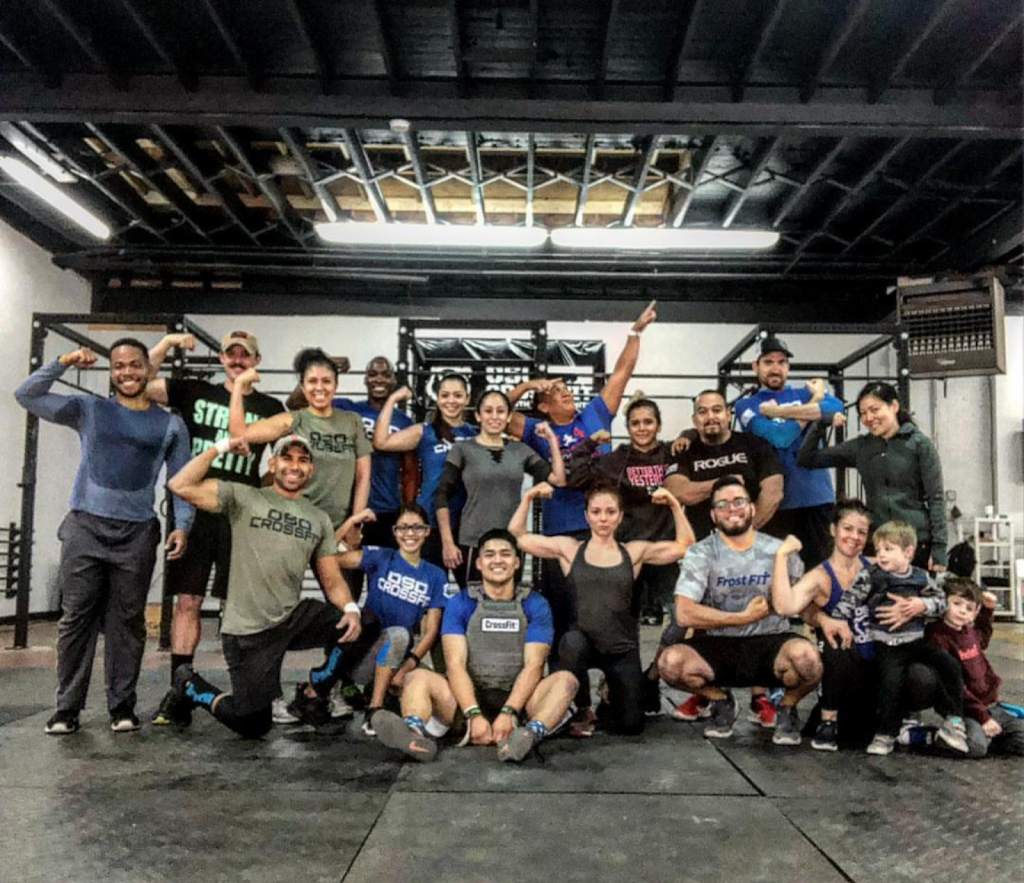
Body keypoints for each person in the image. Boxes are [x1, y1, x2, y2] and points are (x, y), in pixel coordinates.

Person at [15, 340, 194, 735]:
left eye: (135, 365)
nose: (127, 372)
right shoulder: (89, 409)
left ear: (149, 368)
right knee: (76, 619)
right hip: (86, 528)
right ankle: (66, 709)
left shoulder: (170, 425)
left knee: (127, 622)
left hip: (137, 535)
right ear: (111, 372)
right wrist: (63, 361)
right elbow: (27, 395)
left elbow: (181, 481)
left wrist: (183, 524)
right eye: (118, 366)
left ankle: (122, 706)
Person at [165, 433, 374, 738]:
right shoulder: (245, 498)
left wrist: (351, 609)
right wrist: (222, 446)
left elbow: (332, 580)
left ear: (311, 470)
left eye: (303, 460)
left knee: (365, 623)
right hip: (248, 633)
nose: (295, 466)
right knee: (253, 725)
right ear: (273, 464)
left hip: (292, 618)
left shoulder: (318, 519)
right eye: (287, 458)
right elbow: (179, 484)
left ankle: (313, 694)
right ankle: (189, 684)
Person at [145, 330, 286, 728]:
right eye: (231, 354)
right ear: (222, 358)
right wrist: (167, 344)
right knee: (187, 601)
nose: (238, 360)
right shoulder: (195, 392)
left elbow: (282, 463)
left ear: (257, 360)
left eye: (245, 355)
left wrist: (264, 496)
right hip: (196, 507)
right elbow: (139, 382)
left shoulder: (270, 407)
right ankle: (179, 689)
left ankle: (249, 689)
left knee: (237, 607)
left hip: (240, 513)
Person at [507, 300, 658, 645]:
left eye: (566, 389)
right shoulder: (537, 429)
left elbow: (621, 373)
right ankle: (567, 673)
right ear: (544, 406)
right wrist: (529, 386)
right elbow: (496, 411)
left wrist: (635, 332)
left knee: (610, 610)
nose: (566, 393)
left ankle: (614, 669)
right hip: (562, 529)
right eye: (557, 392)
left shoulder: (594, 414)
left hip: (604, 527)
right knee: (564, 613)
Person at [372, 529, 578, 763]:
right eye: (489, 555)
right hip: (465, 700)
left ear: (517, 563)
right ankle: (413, 735)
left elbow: (534, 665)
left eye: (505, 554)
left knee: (566, 681)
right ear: (479, 563)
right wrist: (473, 714)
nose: (497, 560)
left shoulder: (535, 604)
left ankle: (527, 736)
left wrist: (509, 712)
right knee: (416, 677)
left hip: (521, 703)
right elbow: (455, 664)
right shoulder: (460, 602)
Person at [509, 481, 693, 736]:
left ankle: (610, 696)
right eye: (596, 512)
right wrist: (529, 496)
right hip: (581, 644)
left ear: (620, 516)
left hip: (620, 648)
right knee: (571, 642)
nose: (603, 518)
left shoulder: (634, 552)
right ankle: (582, 707)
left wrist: (673, 504)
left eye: (610, 512)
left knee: (631, 726)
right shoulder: (570, 549)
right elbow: (518, 536)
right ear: (586, 516)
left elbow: (685, 545)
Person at [658, 477, 822, 746]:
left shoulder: (780, 550)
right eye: (722, 505)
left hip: (770, 642)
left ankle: (787, 706)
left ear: (752, 508)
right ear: (713, 515)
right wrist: (741, 618)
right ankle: (721, 700)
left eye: (738, 502)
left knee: (808, 660)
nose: (731, 509)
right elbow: (684, 613)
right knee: (670, 663)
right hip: (720, 644)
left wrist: (825, 620)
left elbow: (801, 604)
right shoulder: (700, 553)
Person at [820, 521, 968, 756]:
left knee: (949, 664)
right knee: (891, 684)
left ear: (908, 552)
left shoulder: (921, 577)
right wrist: (837, 620)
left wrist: (922, 605)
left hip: (916, 641)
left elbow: (941, 603)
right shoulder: (871, 576)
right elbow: (849, 600)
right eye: (878, 549)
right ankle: (885, 734)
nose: (881, 555)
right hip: (887, 644)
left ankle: (954, 719)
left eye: (888, 549)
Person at [797, 380, 948, 571]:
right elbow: (807, 459)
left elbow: (936, 498)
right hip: (877, 544)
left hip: (916, 543)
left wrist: (940, 548)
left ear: (894, 406)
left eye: (874, 410)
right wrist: (821, 423)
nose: (868, 418)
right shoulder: (862, 446)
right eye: (862, 413)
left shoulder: (919, 444)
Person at [229, 348, 371, 542]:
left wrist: (356, 523)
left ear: (336, 385)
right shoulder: (294, 420)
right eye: (312, 381)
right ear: (303, 388)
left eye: (326, 381)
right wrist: (238, 385)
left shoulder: (352, 421)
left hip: (336, 528)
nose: (319, 387)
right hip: (295, 526)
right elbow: (239, 433)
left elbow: (363, 476)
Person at [564, 397, 679, 627]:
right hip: (627, 552)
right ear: (627, 428)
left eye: (648, 422)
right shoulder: (616, 460)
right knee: (622, 619)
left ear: (658, 425)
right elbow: (576, 479)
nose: (642, 428)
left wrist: (689, 435)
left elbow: (701, 446)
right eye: (635, 423)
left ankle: (670, 652)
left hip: (664, 549)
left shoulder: (672, 453)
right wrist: (589, 443)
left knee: (680, 614)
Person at [334, 503, 448, 734]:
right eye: (403, 527)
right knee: (399, 635)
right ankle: (374, 709)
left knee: (428, 683)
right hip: (364, 653)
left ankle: (385, 697)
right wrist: (351, 522)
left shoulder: (435, 575)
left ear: (427, 531)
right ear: (395, 532)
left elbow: (432, 630)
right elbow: (331, 558)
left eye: (417, 527)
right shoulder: (381, 557)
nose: (410, 534)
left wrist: (408, 666)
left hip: (400, 658)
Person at [771, 500, 875, 751]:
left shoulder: (876, 567)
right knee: (836, 643)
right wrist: (781, 557)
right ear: (833, 530)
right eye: (848, 529)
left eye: (861, 532)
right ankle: (828, 720)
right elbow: (785, 606)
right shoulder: (820, 576)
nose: (854, 537)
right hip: (842, 671)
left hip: (875, 667)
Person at [733, 336, 844, 569]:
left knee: (822, 571)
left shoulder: (802, 394)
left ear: (788, 367)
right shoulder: (746, 405)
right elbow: (779, 438)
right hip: (775, 503)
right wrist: (815, 402)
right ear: (755, 367)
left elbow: (837, 407)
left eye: (781, 362)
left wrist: (778, 413)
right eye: (768, 362)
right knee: (777, 572)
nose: (775, 368)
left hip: (816, 498)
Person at [435, 389, 565, 585]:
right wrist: (447, 542)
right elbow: (442, 495)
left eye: (500, 411)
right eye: (488, 411)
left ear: (509, 416)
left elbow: (558, 479)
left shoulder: (520, 450)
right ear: (478, 416)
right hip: (473, 541)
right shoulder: (462, 449)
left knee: (509, 600)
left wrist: (552, 440)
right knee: (473, 600)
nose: (494, 417)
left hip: (512, 541)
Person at [371, 375, 477, 578]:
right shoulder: (425, 431)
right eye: (445, 395)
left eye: (457, 395)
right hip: (431, 522)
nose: (451, 401)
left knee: (472, 591)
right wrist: (392, 400)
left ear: (467, 399)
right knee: (430, 589)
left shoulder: (475, 434)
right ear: (437, 398)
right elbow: (381, 442)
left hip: (466, 524)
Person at [665, 390, 783, 541]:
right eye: (702, 412)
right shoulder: (683, 449)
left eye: (717, 410)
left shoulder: (756, 444)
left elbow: (773, 493)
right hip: (703, 545)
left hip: (752, 542)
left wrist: (742, 532)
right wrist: (724, 482)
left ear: (728, 415)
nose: (710, 417)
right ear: (694, 420)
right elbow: (677, 492)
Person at [926, 578, 1024, 757]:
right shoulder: (937, 637)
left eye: (969, 608)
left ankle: (990, 735)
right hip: (966, 711)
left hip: (991, 706)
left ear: (974, 613)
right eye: (956, 604)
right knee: (975, 746)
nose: (963, 611)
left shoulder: (969, 631)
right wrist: (983, 718)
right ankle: (933, 736)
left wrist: (988, 610)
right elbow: (954, 686)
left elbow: (983, 636)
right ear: (942, 604)